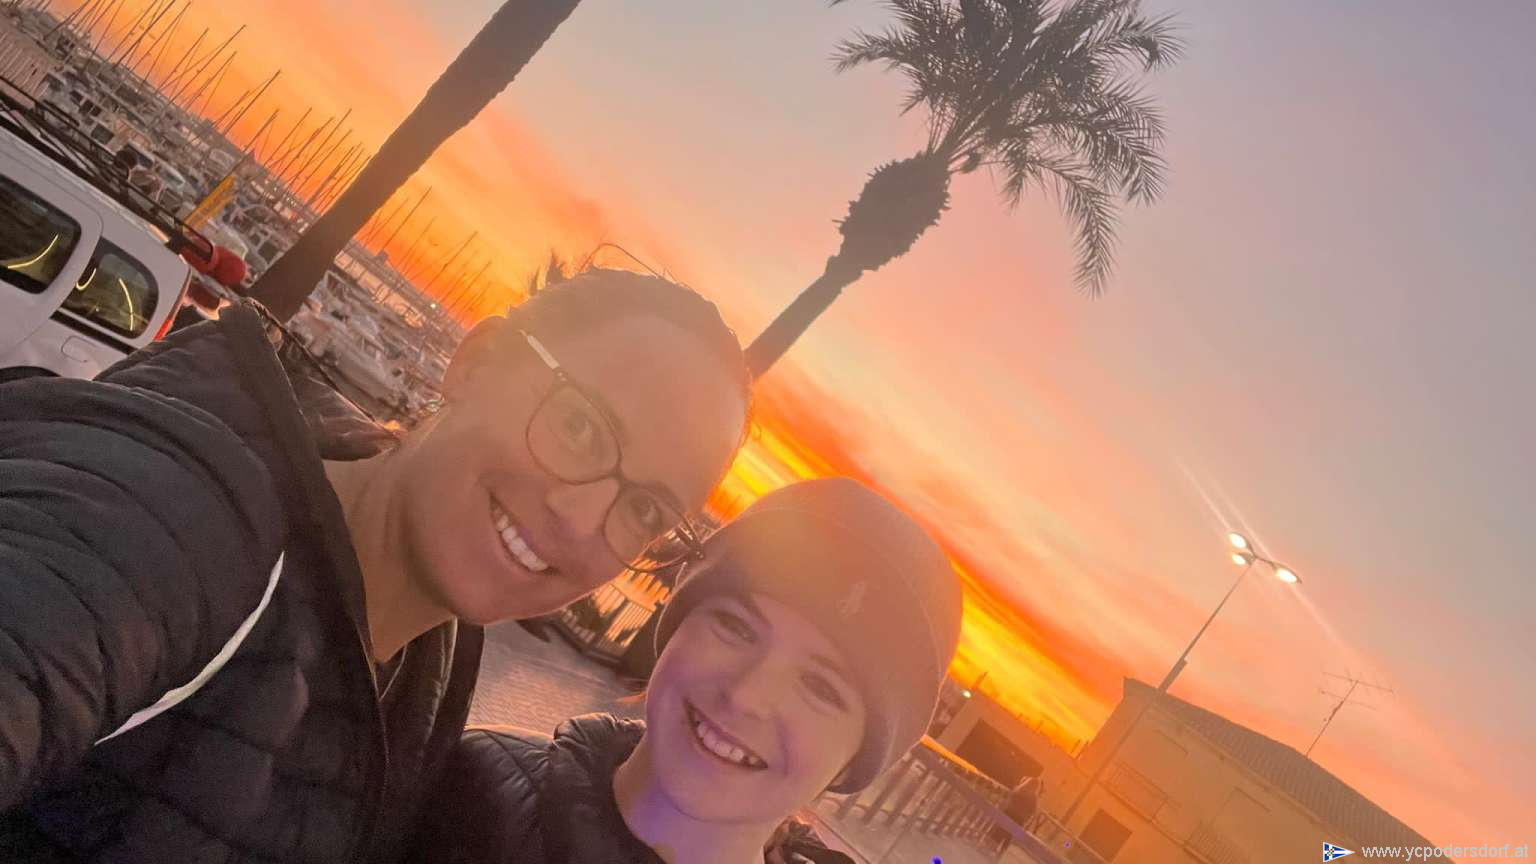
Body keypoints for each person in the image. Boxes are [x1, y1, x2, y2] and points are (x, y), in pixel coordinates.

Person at [0, 268, 751, 862]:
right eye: (580, 426)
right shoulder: (177, 521)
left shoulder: (439, 657)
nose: (582, 519)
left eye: (645, 510)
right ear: (477, 361)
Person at [416, 477, 964, 864]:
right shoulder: (463, 788)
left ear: (854, 762)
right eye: (736, 627)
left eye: (821, 687)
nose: (747, 694)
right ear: (676, 626)